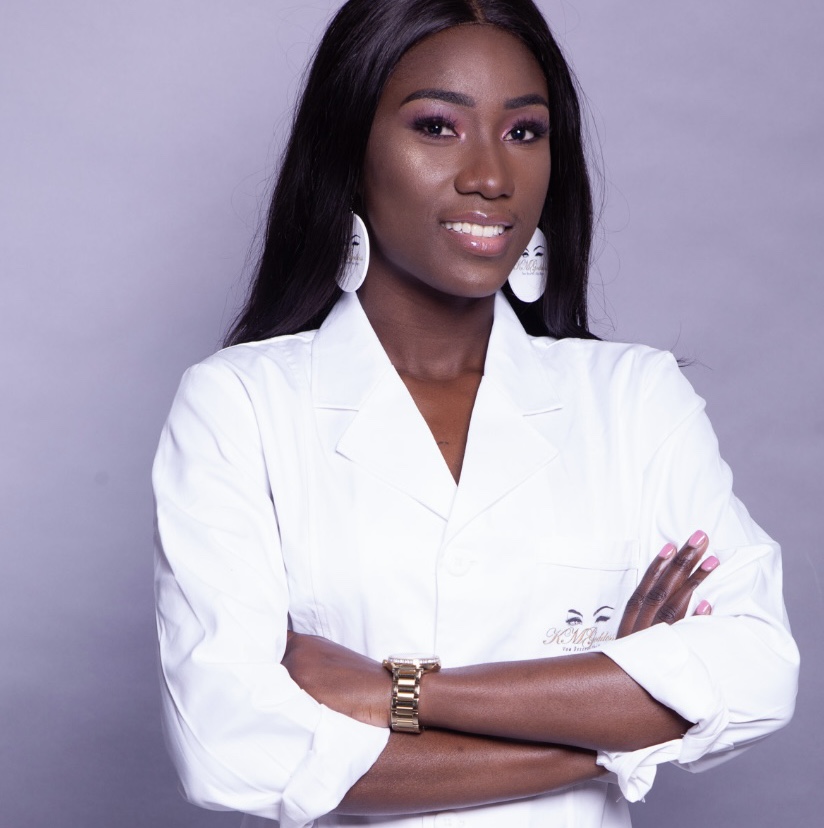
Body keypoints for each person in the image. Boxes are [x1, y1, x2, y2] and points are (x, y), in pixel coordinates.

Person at [152, 1, 799, 826]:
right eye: (437, 127)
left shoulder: (634, 399)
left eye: (525, 132)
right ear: (349, 150)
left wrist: (402, 691)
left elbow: (756, 670)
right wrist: (615, 723)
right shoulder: (241, 404)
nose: (491, 176)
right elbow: (231, 746)